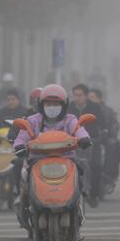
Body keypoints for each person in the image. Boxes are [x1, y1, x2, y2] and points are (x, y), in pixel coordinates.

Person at [13, 84, 92, 225]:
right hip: (37, 159)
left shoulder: (70, 119)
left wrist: (84, 139)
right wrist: (19, 146)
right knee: (25, 176)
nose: (52, 107)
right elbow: (22, 136)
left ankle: (79, 201)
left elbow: (78, 129)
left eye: (56, 104)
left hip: (67, 158)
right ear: (41, 105)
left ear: (64, 105)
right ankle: (26, 206)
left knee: (81, 168)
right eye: (49, 104)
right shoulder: (33, 120)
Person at [68, 83, 105, 205]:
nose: (77, 98)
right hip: (73, 143)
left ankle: (94, 195)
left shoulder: (94, 107)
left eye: (80, 95)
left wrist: (98, 137)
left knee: (96, 166)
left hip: (92, 142)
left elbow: (101, 123)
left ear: (86, 96)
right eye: (75, 95)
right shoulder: (69, 108)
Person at [88, 88, 120, 193]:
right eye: (88, 98)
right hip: (88, 140)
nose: (90, 100)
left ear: (99, 98)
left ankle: (110, 178)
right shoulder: (85, 110)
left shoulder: (108, 110)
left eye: (92, 97)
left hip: (104, 139)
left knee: (114, 147)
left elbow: (115, 124)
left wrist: (111, 134)